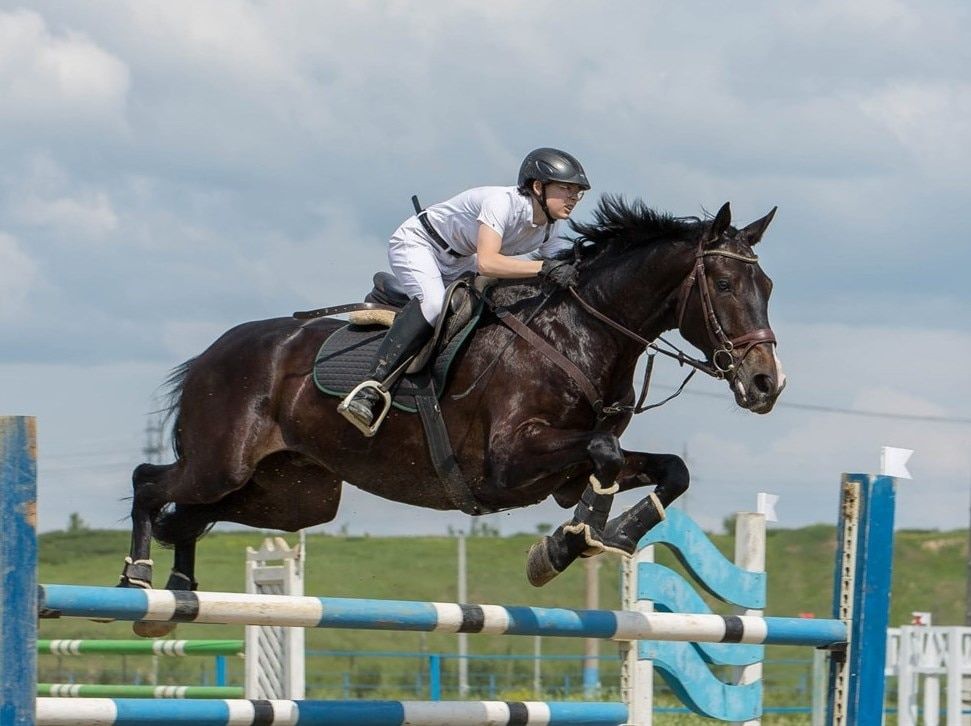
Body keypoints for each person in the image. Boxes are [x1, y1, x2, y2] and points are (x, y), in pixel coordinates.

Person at [338, 147, 591, 435]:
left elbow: (563, 267)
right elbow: (488, 262)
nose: (573, 197)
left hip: (460, 259)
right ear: (538, 186)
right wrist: (543, 268)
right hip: (420, 244)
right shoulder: (502, 203)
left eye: (577, 191)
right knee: (434, 306)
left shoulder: (550, 227)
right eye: (566, 188)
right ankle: (370, 388)